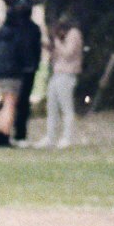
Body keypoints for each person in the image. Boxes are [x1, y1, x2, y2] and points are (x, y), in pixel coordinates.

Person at [0, 0, 41, 147]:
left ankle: (0, 133)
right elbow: (26, 51)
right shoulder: (26, 30)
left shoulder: (4, 29)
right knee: (11, 104)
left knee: (5, 103)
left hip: (1, 70)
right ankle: (4, 135)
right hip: (14, 71)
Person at [40, 19, 85, 150]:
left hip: (68, 74)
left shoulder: (74, 34)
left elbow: (68, 53)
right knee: (52, 107)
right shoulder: (61, 39)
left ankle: (67, 137)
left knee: (66, 108)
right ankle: (50, 136)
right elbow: (58, 55)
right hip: (57, 73)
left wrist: (57, 42)